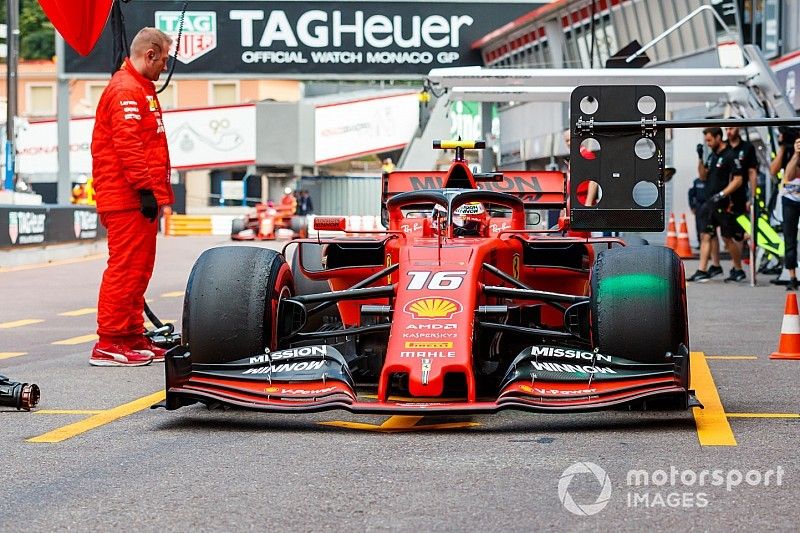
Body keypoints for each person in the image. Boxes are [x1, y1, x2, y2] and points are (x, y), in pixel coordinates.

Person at [89, 28, 174, 367]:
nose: (165, 67)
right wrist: (144, 189)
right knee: (126, 269)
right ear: (150, 55)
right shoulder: (125, 90)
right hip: (127, 197)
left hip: (137, 196)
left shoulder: (139, 88)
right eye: (164, 60)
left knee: (139, 270)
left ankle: (131, 336)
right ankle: (109, 341)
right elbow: (129, 146)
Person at [688, 127, 747, 283]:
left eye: (709, 140)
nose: (707, 143)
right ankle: (704, 269)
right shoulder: (713, 156)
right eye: (706, 141)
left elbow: (738, 180)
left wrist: (722, 194)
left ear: (718, 137)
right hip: (710, 203)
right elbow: (702, 176)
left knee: (727, 239)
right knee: (706, 235)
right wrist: (700, 157)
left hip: (724, 204)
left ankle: (738, 269)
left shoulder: (730, 155)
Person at [780, 138, 800, 290]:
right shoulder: (788, 151)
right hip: (790, 200)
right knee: (790, 239)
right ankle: (792, 276)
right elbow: (789, 175)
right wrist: (796, 154)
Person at [688, 173, 707, 248]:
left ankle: (707, 243)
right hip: (699, 207)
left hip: (708, 205)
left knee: (707, 226)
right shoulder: (696, 182)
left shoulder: (709, 181)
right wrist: (692, 206)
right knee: (698, 225)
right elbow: (690, 194)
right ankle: (700, 243)